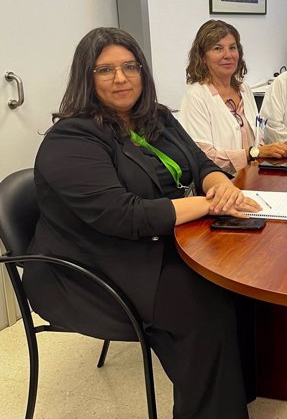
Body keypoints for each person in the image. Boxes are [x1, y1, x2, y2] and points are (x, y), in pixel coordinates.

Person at [23, 27, 261, 418]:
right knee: (205, 301)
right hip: (90, 267)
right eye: (105, 70)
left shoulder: (156, 117)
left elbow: (199, 163)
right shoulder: (71, 140)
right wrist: (207, 205)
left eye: (130, 66)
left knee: (241, 272)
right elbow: (124, 214)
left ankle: (235, 395)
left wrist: (218, 184)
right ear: (87, 77)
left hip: (154, 241)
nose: (121, 78)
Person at [179, 20, 287, 172]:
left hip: (254, 176)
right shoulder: (196, 96)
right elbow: (203, 158)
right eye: (218, 48)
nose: (228, 55)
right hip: (221, 185)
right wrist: (253, 153)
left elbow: (258, 139)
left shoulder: (244, 90)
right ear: (203, 57)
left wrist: (270, 151)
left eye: (232, 48)